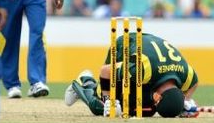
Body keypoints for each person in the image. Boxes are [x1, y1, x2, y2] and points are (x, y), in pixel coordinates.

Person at [64, 33, 199, 118]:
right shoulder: (142, 69)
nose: (155, 100)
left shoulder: (186, 75)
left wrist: (184, 102)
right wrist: (108, 101)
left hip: (150, 56)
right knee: (103, 107)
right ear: (159, 96)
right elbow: (105, 71)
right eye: (157, 100)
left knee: (145, 109)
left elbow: (195, 82)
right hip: (126, 46)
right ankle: (85, 81)